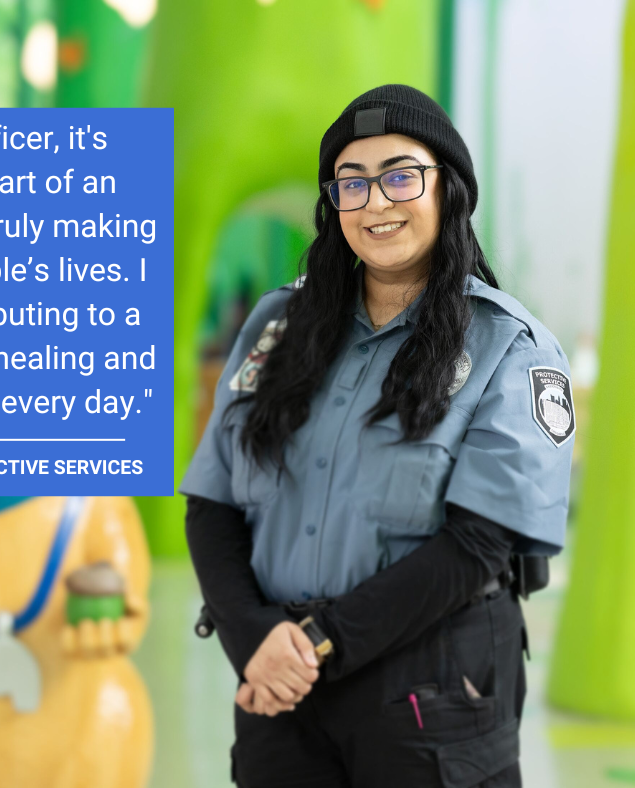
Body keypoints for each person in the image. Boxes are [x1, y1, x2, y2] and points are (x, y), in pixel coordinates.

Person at [179, 84, 575, 788]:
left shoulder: (509, 348)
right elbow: (212, 504)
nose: (376, 203)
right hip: (282, 687)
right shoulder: (278, 330)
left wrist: (314, 644)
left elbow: (478, 545)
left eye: (400, 176)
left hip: (432, 692)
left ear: (448, 190)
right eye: (350, 184)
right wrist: (254, 640)